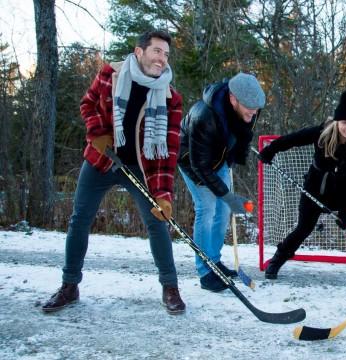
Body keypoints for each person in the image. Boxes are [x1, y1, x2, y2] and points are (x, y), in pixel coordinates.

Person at [42, 30, 186, 315]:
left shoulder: (170, 97)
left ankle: (170, 288)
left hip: (141, 168)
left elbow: (168, 150)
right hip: (102, 160)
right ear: (139, 52)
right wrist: (97, 132)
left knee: (157, 223)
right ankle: (69, 286)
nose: (162, 59)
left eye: (166, 54)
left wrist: (164, 194)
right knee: (79, 219)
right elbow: (88, 104)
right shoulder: (112, 75)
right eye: (157, 51)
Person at [258, 90, 346, 281]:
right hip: (314, 190)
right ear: (337, 122)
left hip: (342, 193)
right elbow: (293, 139)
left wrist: (344, 212)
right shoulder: (322, 133)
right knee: (304, 228)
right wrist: (270, 150)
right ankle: (277, 260)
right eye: (344, 122)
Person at [178, 72, 265, 292]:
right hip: (193, 162)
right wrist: (227, 195)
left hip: (219, 159)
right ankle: (205, 272)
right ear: (233, 99)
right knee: (206, 210)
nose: (254, 113)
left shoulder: (250, 109)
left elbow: (243, 135)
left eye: (256, 108)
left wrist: (234, 158)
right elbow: (200, 166)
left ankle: (214, 261)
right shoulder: (203, 116)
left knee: (224, 211)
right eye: (249, 108)